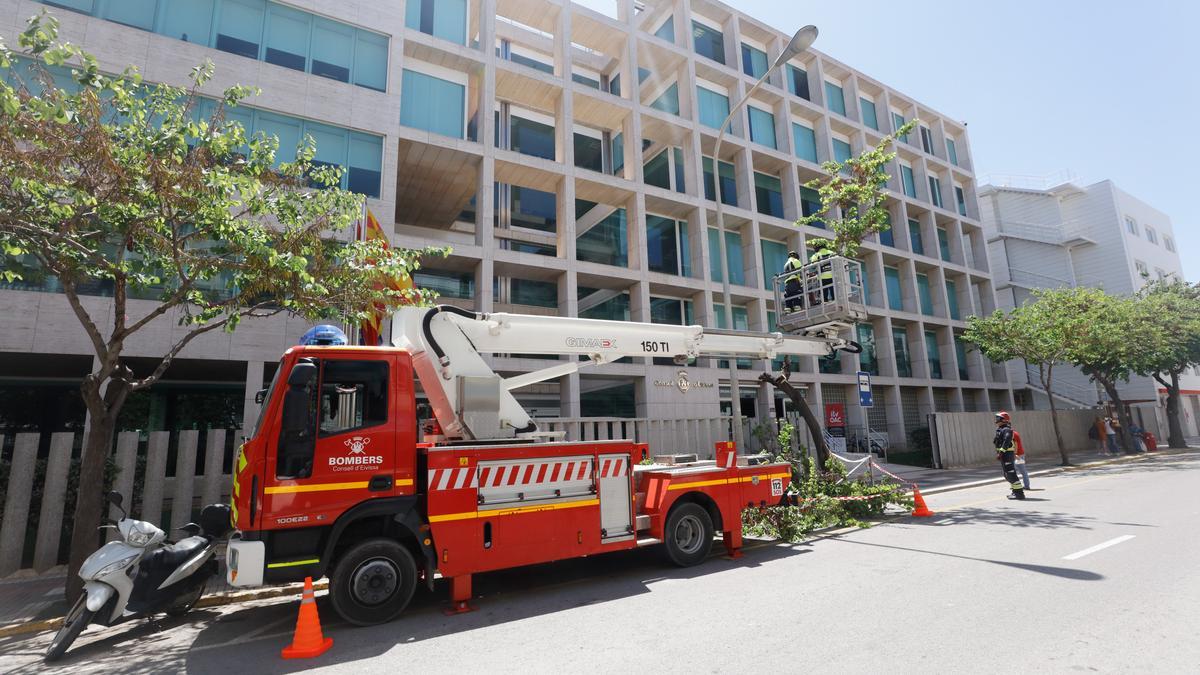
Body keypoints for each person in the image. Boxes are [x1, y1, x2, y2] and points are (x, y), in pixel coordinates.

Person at [993, 411, 1025, 500]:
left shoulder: (1007, 429)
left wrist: (1001, 452)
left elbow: (1007, 440)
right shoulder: (1001, 429)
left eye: (998, 418)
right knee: (1007, 474)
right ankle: (1015, 491)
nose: (996, 420)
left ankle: (1019, 494)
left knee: (1011, 474)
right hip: (1004, 455)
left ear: (1003, 420)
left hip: (1007, 454)